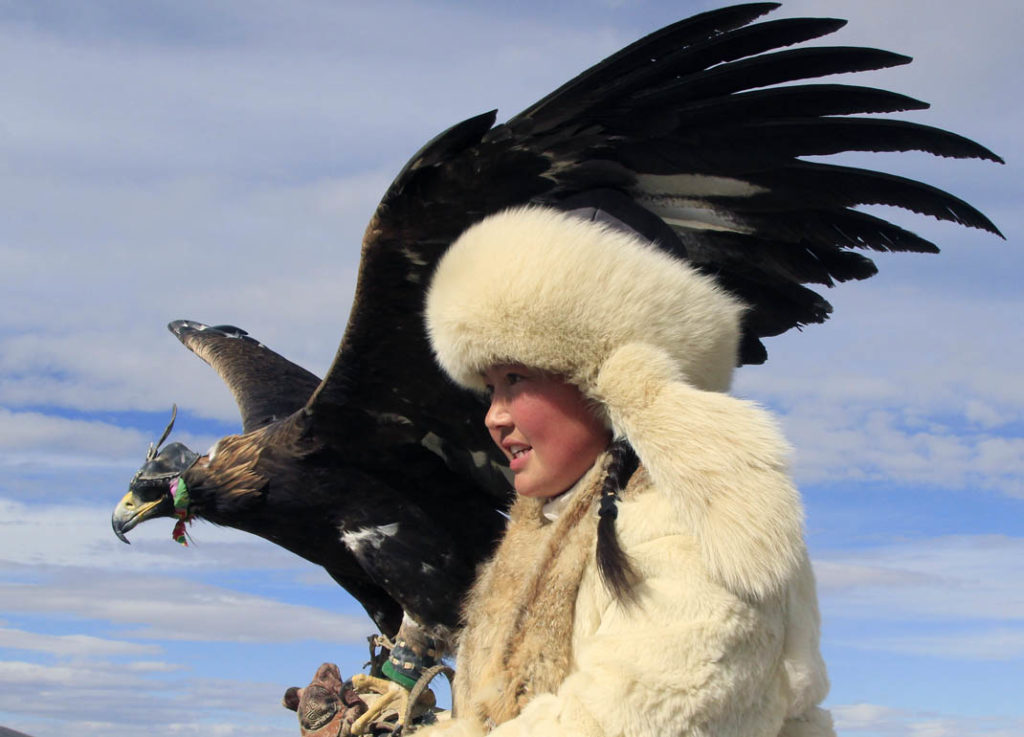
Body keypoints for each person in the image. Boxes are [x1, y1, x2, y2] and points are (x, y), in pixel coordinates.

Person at [419, 205, 833, 737]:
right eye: (490, 388)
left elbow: (628, 722)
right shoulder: (546, 530)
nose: (494, 417)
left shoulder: (699, 518)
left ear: (605, 381)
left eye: (516, 378)